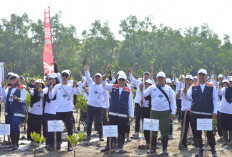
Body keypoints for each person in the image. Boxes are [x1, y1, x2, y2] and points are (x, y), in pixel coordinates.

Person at [143, 71, 176, 155]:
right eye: (159, 78)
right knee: (153, 130)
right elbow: (144, 94)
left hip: (165, 112)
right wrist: (141, 87)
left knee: (165, 131)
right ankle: (153, 148)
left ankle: (164, 149)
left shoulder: (169, 89)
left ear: (165, 79)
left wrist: (173, 112)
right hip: (154, 111)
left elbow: (173, 101)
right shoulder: (152, 87)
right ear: (156, 78)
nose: (160, 79)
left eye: (162, 78)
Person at [187, 69, 218, 157]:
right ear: (197, 76)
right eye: (199, 74)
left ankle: (213, 151)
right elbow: (187, 97)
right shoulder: (193, 86)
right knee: (197, 133)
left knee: (209, 133)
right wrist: (185, 90)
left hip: (207, 113)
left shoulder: (212, 86)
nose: (201, 76)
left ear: (206, 76)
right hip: (195, 113)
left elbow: (215, 100)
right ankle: (200, 150)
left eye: (203, 75)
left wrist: (215, 111)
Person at [101, 72, 134, 153]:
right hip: (113, 113)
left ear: (126, 81)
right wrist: (103, 80)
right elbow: (104, 86)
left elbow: (130, 103)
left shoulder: (128, 90)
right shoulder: (113, 87)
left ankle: (120, 147)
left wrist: (132, 115)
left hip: (123, 114)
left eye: (123, 80)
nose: (121, 81)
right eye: (120, 80)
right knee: (110, 130)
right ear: (117, 80)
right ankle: (108, 146)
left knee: (122, 131)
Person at [49, 70, 81, 151]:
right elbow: (51, 96)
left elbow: (79, 93)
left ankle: (70, 145)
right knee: (58, 129)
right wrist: (50, 90)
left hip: (68, 110)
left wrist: (76, 86)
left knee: (70, 129)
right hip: (59, 110)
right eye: (63, 75)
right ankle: (58, 144)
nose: (64, 77)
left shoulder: (71, 86)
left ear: (68, 77)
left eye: (66, 75)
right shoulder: (57, 86)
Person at [1, 73, 26, 150]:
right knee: (9, 126)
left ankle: (16, 143)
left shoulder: (22, 88)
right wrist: (2, 87)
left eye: (14, 78)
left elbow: (23, 99)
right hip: (9, 110)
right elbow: (4, 96)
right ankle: (13, 143)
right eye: (11, 79)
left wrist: (17, 99)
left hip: (17, 110)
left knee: (15, 125)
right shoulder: (8, 88)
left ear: (18, 79)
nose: (12, 80)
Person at [84, 66, 108, 141]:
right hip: (90, 106)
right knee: (89, 121)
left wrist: (106, 106)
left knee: (100, 122)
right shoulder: (91, 84)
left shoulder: (103, 87)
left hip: (99, 107)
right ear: (94, 78)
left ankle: (101, 136)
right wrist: (86, 70)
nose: (97, 78)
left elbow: (106, 97)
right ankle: (88, 136)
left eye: (99, 77)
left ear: (101, 79)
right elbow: (87, 77)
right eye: (96, 77)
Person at [128, 66, 154, 138]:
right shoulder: (139, 82)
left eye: (147, 75)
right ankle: (136, 132)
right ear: (143, 76)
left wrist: (152, 71)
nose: (146, 76)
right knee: (137, 118)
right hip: (138, 103)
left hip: (145, 105)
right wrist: (130, 72)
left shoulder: (150, 84)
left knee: (145, 119)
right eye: (145, 75)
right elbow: (132, 79)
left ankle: (146, 133)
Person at [176, 75, 194, 150]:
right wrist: (178, 93)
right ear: (185, 81)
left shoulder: (195, 89)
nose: (188, 82)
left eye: (190, 80)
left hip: (193, 111)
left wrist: (185, 93)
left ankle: (196, 144)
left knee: (195, 128)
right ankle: (183, 143)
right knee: (184, 128)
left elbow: (189, 98)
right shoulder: (182, 89)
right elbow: (177, 97)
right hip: (185, 111)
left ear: (192, 81)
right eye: (187, 80)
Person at [218, 78, 232, 147]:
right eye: (230, 82)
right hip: (223, 111)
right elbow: (219, 92)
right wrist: (219, 86)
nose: (230, 83)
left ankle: (231, 140)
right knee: (224, 126)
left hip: (231, 112)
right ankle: (226, 140)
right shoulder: (224, 89)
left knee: (231, 126)